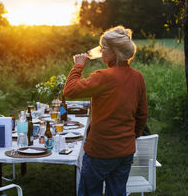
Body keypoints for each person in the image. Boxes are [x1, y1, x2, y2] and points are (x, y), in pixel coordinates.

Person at [63, 25, 148, 196]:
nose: (100, 51)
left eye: (103, 47)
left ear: (114, 52)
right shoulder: (138, 77)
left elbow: (69, 91)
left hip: (100, 151)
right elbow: (142, 114)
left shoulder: (103, 76)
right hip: (125, 151)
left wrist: (78, 66)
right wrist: (133, 136)